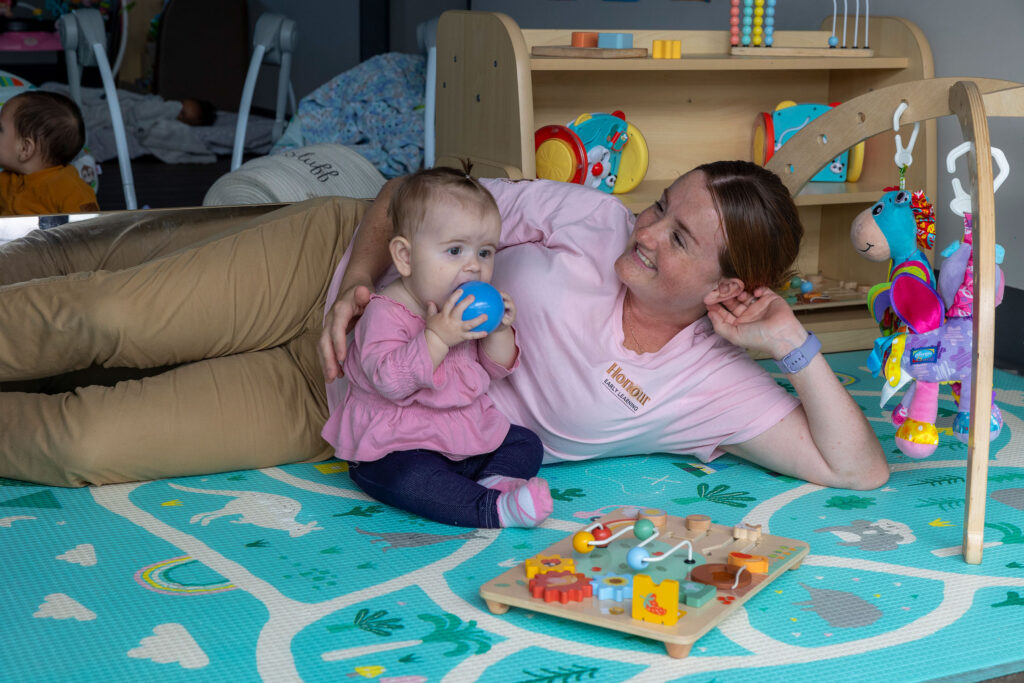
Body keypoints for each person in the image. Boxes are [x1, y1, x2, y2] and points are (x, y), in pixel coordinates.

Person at [0, 160, 888, 493]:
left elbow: (856, 469)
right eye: (661, 206)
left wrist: (792, 347)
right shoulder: (588, 219)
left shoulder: (708, 385)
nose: (645, 229)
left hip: (343, 408)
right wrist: (356, 283)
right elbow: (411, 191)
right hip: (330, 272)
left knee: (83, 440)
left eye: (679, 235)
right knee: (101, 313)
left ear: (730, 288)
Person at [325, 167, 550, 528]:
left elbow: (496, 368)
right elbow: (390, 382)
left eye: (486, 252)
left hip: (464, 435)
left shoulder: (459, 309)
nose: (474, 266)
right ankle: (492, 509)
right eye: (455, 250)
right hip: (396, 446)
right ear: (405, 257)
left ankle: (494, 481)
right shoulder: (385, 311)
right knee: (410, 479)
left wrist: (499, 330)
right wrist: (438, 338)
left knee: (525, 443)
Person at [0, 90, 99, 216]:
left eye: (0, 129)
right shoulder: (6, 179)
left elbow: (90, 227)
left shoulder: (69, 190)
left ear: (25, 149)